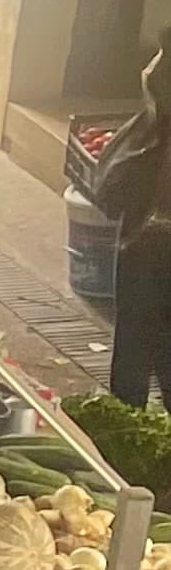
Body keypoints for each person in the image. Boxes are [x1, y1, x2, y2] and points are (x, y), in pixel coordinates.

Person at [93, 31, 171, 407]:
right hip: (149, 232)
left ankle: (129, 426)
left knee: (140, 343)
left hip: (150, 237)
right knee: (146, 344)